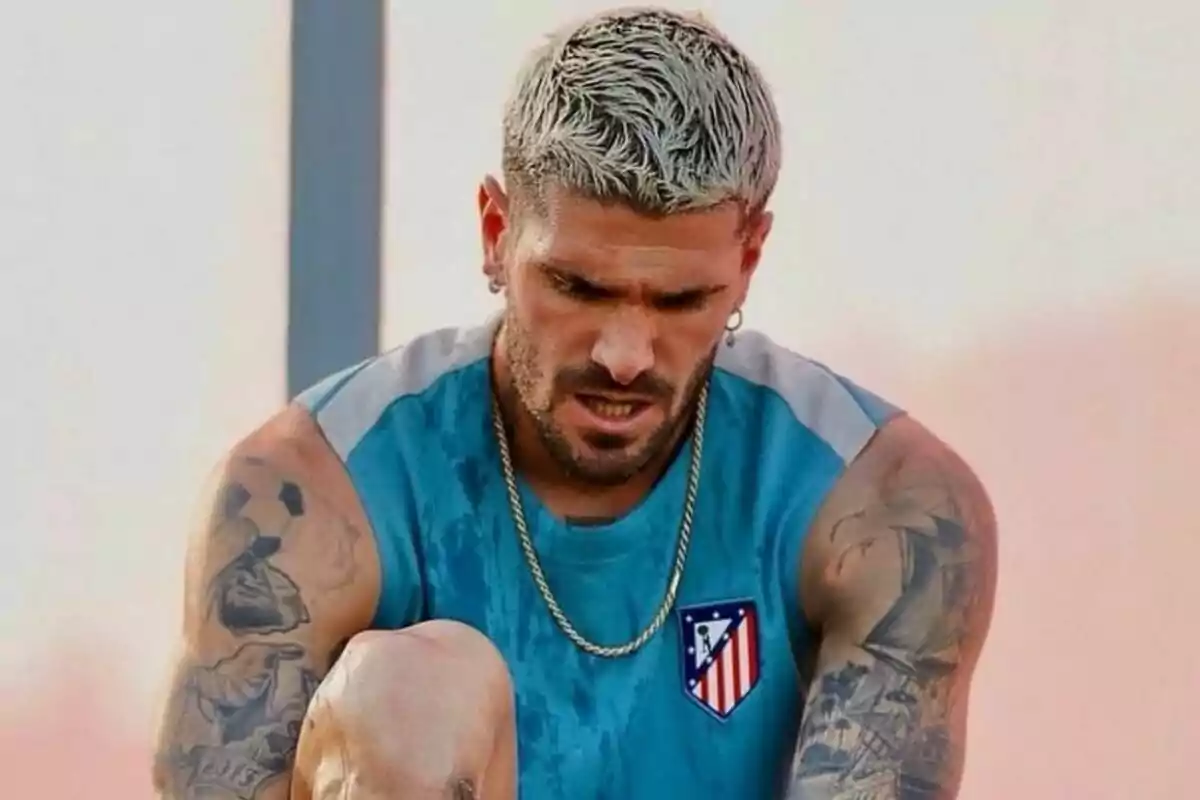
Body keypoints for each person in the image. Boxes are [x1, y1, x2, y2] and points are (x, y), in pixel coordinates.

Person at [152, 7, 996, 799]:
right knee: (412, 688)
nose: (623, 357)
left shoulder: (882, 504)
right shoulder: (305, 494)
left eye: (679, 302)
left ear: (748, 260)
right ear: (496, 232)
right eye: (577, 288)